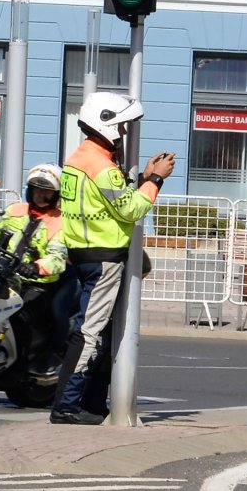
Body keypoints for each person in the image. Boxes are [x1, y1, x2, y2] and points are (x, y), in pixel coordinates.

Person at [50, 92, 174, 425]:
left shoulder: (78, 159)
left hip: (83, 255)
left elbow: (107, 199)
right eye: (120, 127)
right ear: (105, 124)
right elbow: (131, 209)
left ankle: (91, 404)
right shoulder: (102, 167)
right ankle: (65, 405)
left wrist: (143, 178)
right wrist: (157, 180)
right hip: (104, 258)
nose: (123, 133)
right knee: (90, 333)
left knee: (100, 332)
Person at [0, 162, 69, 375]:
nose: (40, 195)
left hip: (36, 284)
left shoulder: (60, 222)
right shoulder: (15, 210)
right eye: (36, 189)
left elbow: (57, 257)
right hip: (4, 274)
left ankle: (18, 369)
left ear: (56, 194)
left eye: (46, 191)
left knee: (20, 317)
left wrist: (35, 268)